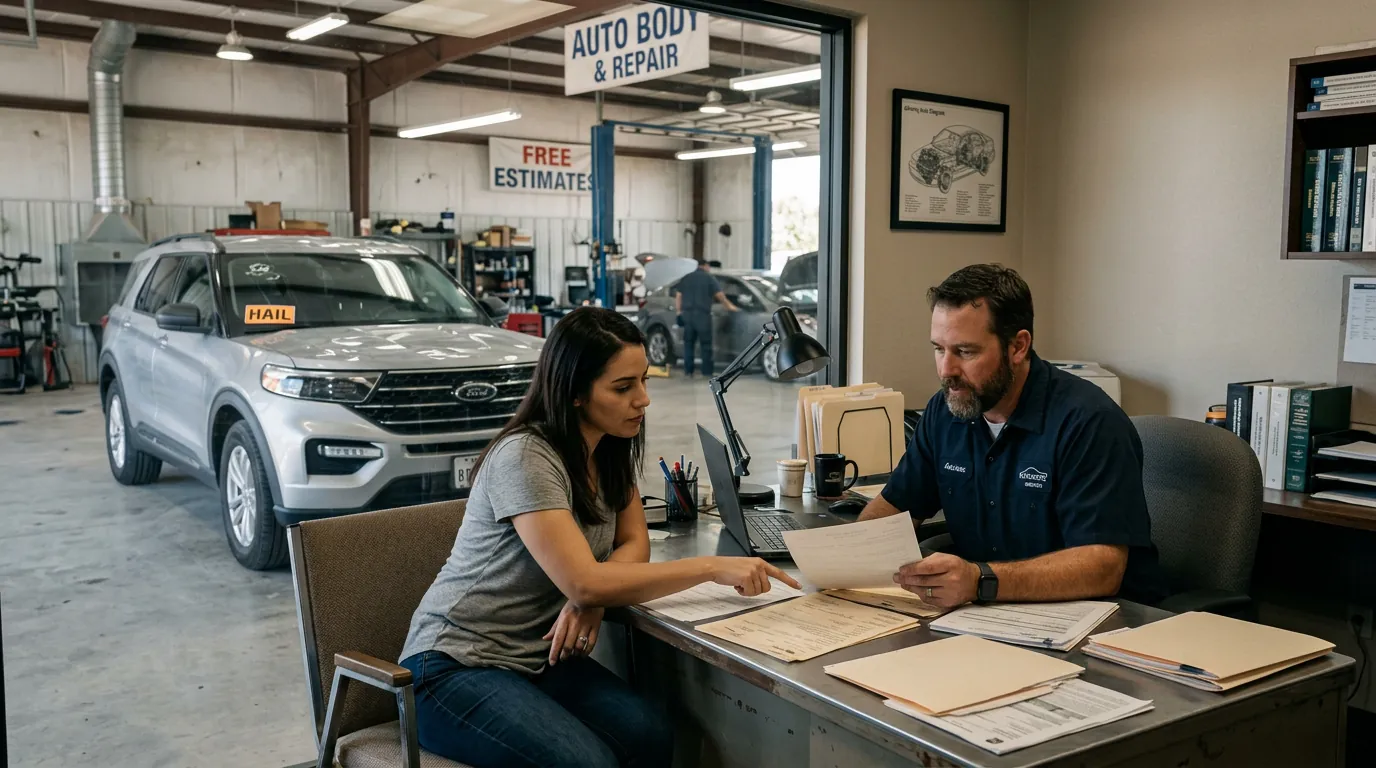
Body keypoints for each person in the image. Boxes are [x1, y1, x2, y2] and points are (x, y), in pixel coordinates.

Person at [399, 307, 798, 768]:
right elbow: (585, 580)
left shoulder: (608, 448)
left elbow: (634, 543)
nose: (643, 399)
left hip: (537, 657)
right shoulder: (526, 457)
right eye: (623, 387)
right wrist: (709, 567)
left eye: (644, 380)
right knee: (588, 763)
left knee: (649, 734)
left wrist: (590, 599)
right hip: (453, 666)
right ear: (574, 393)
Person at [858, 264, 1168, 609]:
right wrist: (846, 559)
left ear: (1017, 347)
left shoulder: (1089, 422)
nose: (946, 370)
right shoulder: (946, 411)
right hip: (987, 615)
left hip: (1102, 623)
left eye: (965, 352)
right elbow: (894, 509)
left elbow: (1102, 568)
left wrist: (980, 580)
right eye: (938, 349)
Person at [674, 258, 738, 376]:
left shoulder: (686, 278)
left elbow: (678, 296)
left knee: (688, 344)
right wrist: (731, 308)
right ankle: (707, 372)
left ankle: (688, 371)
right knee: (706, 346)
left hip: (687, 316)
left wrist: (679, 312)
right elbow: (720, 296)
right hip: (702, 316)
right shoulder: (709, 278)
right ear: (706, 266)